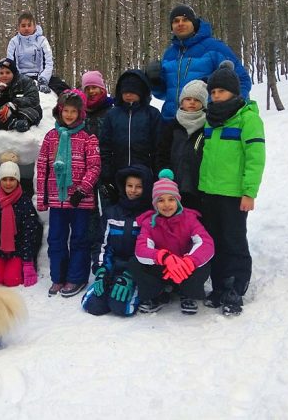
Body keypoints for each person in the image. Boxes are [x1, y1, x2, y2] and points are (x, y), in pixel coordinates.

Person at [198, 61, 265, 316]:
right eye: (213, 93)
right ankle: (218, 286)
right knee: (213, 240)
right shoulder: (210, 120)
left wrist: (249, 192)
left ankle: (236, 287)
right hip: (210, 191)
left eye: (221, 92)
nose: (216, 96)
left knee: (233, 240)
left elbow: (255, 158)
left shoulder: (248, 119)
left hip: (234, 194)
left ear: (234, 93)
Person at [36, 89, 101, 298]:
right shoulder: (51, 137)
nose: (69, 115)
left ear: (81, 113)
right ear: (60, 111)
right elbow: (43, 166)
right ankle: (58, 277)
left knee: (80, 239)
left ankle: (76, 277)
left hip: (79, 200)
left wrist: (82, 190)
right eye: (66, 110)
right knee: (56, 239)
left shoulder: (87, 138)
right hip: (57, 200)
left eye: (74, 111)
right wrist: (43, 196)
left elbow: (94, 166)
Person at [128, 169, 215, 315]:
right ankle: (157, 293)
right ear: (155, 204)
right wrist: (164, 258)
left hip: (184, 268)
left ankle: (188, 294)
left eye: (171, 199)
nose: (166, 204)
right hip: (163, 269)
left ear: (178, 200)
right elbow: (141, 249)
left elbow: (206, 243)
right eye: (161, 200)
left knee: (203, 263)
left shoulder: (189, 219)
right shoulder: (150, 222)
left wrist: (189, 262)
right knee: (135, 263)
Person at [148, 4, 252, 122]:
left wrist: (227, 109)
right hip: (172, 123)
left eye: (185, 20)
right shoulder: (169, 54)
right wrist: (155, 83)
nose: (180, 23)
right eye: (176, 21)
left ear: (194, 23)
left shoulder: (214, 48)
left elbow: (242, 80)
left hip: (205, 123)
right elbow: (166, 95)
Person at [81, 164, 153, 317]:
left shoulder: (150, 215)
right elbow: (102, 244)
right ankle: (107, 285)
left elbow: (149, 251)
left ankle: (135, 289)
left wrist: (132, 274)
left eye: (138, 187)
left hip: (134, 271)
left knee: (120, 307)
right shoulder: (111, 212)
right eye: (129, 185)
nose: (133, 190)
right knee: (93, 306)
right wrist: (101, 271)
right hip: (111, 268)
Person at [99, 69, 162, 201]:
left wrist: (157, 174)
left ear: (142, 92)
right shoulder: (112, 115)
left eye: (132, 92)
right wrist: (106, 173)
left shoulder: (152, 114)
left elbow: (159, 147)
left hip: (145, 173)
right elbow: (105, 146)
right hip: (118, 171)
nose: (128, 95)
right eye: (125, 92)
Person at [0, 160, 43, 287]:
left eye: (12, 179)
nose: (8, 183)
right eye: (4, 179)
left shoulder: (24, 201)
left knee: (12, 280)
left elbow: (29, 232)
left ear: (18, 180)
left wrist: (27, 261)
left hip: (18, 251)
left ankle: (15, 266)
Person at [156, 79, 208, 212]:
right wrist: (165, 174)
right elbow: (162, 153)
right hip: (174, 188)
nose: (192, 102)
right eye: (188, 98)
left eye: (197, 99)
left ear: (203, 104)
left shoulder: (208, 127)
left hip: (200, 189)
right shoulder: (172, 126)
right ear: (181, 101)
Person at [80, 69, 114, 266]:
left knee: (109, 212)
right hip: (85, 172)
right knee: (89, 215)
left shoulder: (112, 111)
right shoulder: (80, 113)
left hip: (107, 170)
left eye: (95, 87)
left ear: (102, 89)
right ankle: (94, 258)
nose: (91, 91)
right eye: (88, 88)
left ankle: (110, 255)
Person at [6, 10, 69, 94]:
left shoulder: (42, 41)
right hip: (20, 77)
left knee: (63, 88)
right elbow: (11, 64)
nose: (26, 28)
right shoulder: (14, 42)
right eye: (23, 26)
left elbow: (48, 62)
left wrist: (44, 79)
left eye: (29, 25)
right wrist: (18, 79)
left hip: (40, 76)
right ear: (19, 27)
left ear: (34, 26)